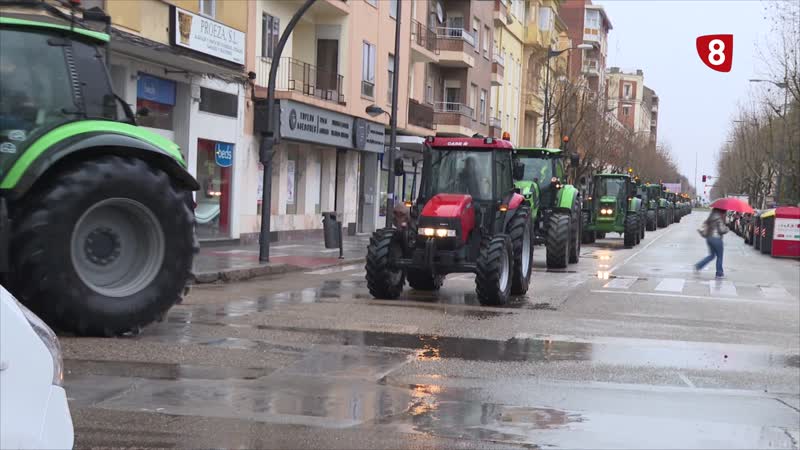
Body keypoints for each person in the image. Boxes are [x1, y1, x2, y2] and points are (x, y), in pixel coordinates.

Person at [695, 208, 728, 278]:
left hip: (709, 238)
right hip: (716, 239)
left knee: (712, 255)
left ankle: (699, 265)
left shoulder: (711, 217)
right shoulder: (719, 218)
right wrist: (727, 228)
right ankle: (719, 272)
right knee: (719, 256)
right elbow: (722, 230)